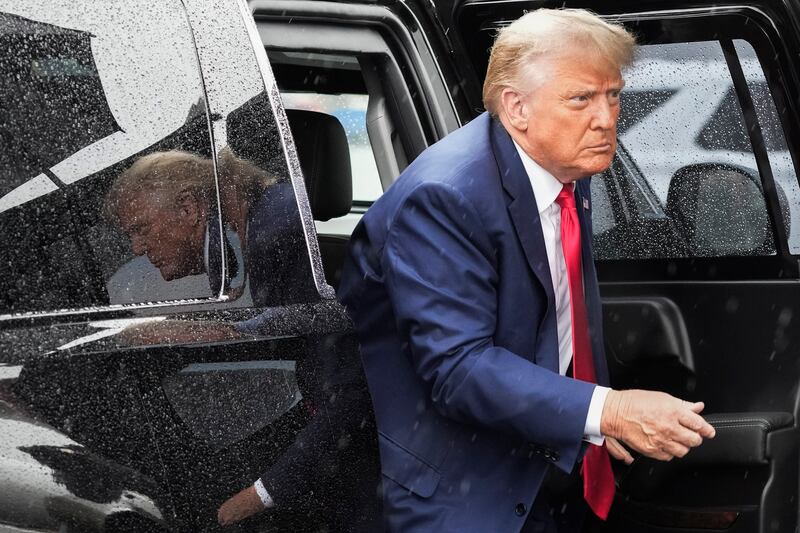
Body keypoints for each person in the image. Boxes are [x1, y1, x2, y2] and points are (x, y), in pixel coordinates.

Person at [337, 8, 716, 532]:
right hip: (461, 488)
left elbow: (565, 316)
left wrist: (590, 427)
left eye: (613, 95)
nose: (607, 118)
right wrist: (606, 409)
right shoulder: (445, 197)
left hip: (549, 462)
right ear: (516, 107)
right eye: (581, 98)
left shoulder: (564, 165)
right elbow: (458, 369)